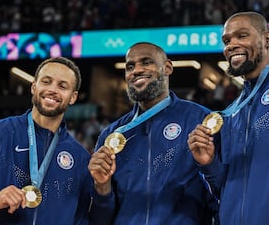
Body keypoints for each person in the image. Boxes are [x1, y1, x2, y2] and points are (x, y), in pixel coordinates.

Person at [188, 11, 269, 224]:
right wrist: (209, 164)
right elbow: (226, 191)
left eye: (242, 36)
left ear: (267, 39)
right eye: (226, 40)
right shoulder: (230, 112)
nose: (231, 45)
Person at [88, 42, 219, 224]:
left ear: (167, 67)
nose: (136, 70)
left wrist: (211, 166)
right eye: (130, 66)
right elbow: (100, 218)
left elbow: (223, 195)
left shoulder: (200, 120)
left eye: (146, 62)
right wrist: (101, 188)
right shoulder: (112, 135)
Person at [0, 57, 94, 224]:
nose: (52, 89)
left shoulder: (81, 158)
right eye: (46, 81)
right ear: (34, 87)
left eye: (62, 86)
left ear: (73, 97)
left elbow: (81, 219)